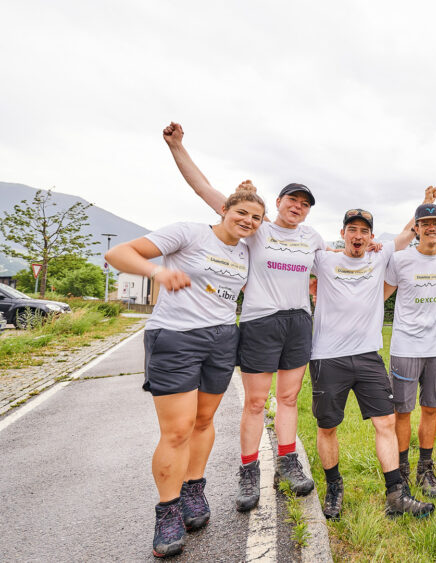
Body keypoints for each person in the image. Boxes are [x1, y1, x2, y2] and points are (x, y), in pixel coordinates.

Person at [162, 122, 321, 512]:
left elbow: (345, 261)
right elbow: (206, 191)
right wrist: (178, 147)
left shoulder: (313, 238)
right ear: (278, 203)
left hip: (299, 321)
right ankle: (249, 472)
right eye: (291, 200)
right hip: (260, 322)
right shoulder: (256, 229)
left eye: (304, 203)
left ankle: (287, 462)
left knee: (288, 398)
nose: (297, 207)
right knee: (255, 403)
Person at [105, 184, 265, 558]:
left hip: (223, 338)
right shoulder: (189, 232)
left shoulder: (245, 250)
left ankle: (194, 490)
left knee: (204, 421)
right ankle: (168, 510)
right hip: (175, 338)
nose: (248, 221)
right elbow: (118, 252)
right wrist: (156, 273)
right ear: (224, 209)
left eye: (256, 218)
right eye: (242, 213)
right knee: (177, 430)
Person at [311, 190, 436, 521]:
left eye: (364, 231)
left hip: (368, 356)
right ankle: (334, 487)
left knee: (386, 422)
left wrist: (423, 205)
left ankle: (396, 494)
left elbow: (410, 233)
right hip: (327, 357)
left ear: (370, 237)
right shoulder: (324, 259)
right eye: (352, 230)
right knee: (327, 427)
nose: (358, 236)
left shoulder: (379, 257)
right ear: (342, 234)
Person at [383, 201, 436, 497]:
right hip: (405, 346)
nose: (431, 227)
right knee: (403, 411)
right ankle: (401, 470)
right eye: (425, 223)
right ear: (417, 229)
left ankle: (426, 467)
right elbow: (380, 295)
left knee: (431, 408)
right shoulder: (400, 260)